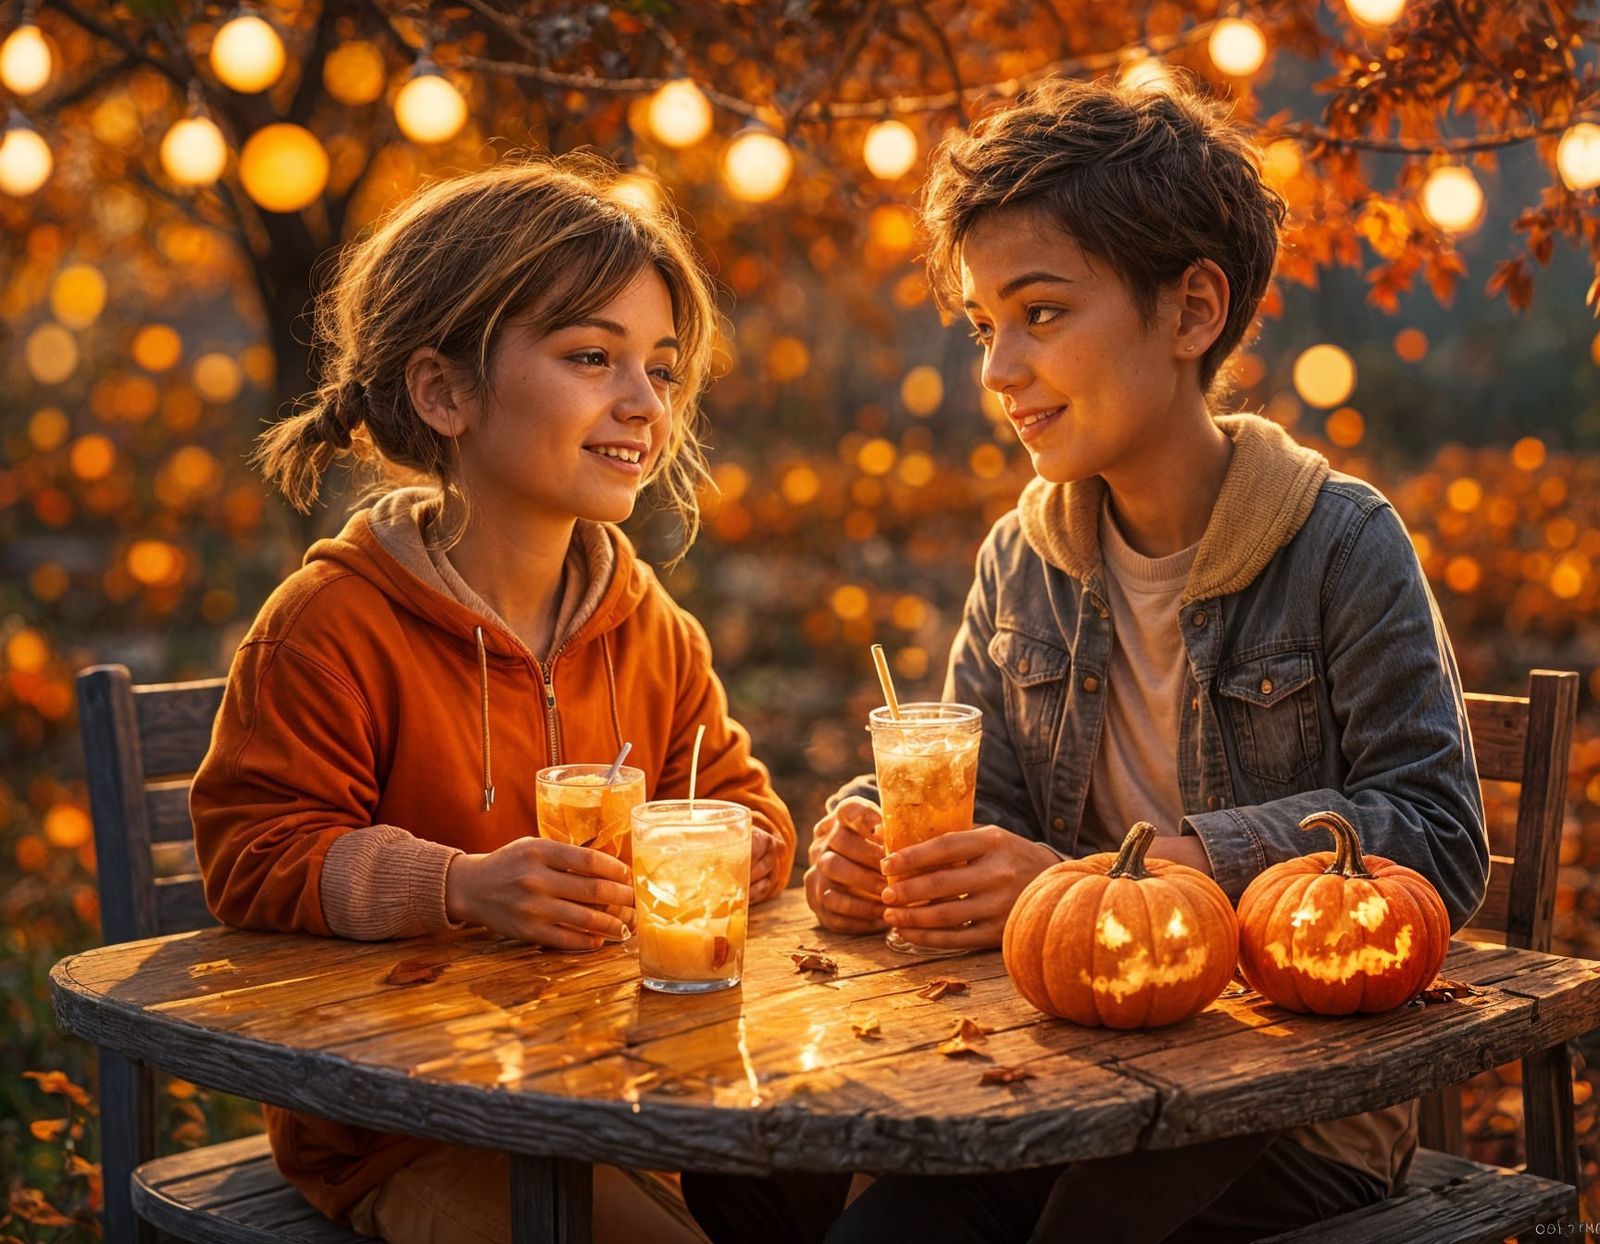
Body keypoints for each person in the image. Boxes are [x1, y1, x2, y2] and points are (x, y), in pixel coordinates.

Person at [688, 76, 1488, 1243]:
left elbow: (1437, 837)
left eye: (1041, 312)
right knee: (816, 1202)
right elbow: (991, 812)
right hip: (1057, 1071)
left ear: (1192, 309)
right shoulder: (1025, 558)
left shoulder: (1339, 545)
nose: (996, 367)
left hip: (1283, 1105)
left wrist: (1136, 877)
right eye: (983, 325)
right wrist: (877, 842)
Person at [191, 157, 795, 1244]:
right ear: (445, 393)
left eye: (661, 368)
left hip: (634, 1090)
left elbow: (740, 802)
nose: (644, 403)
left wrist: (742, 846)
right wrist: (460, 886)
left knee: (879, 1197)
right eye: (591, 357)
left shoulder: (651, 628)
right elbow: (254, 851)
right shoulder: (332, 625)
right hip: (412, 1124)